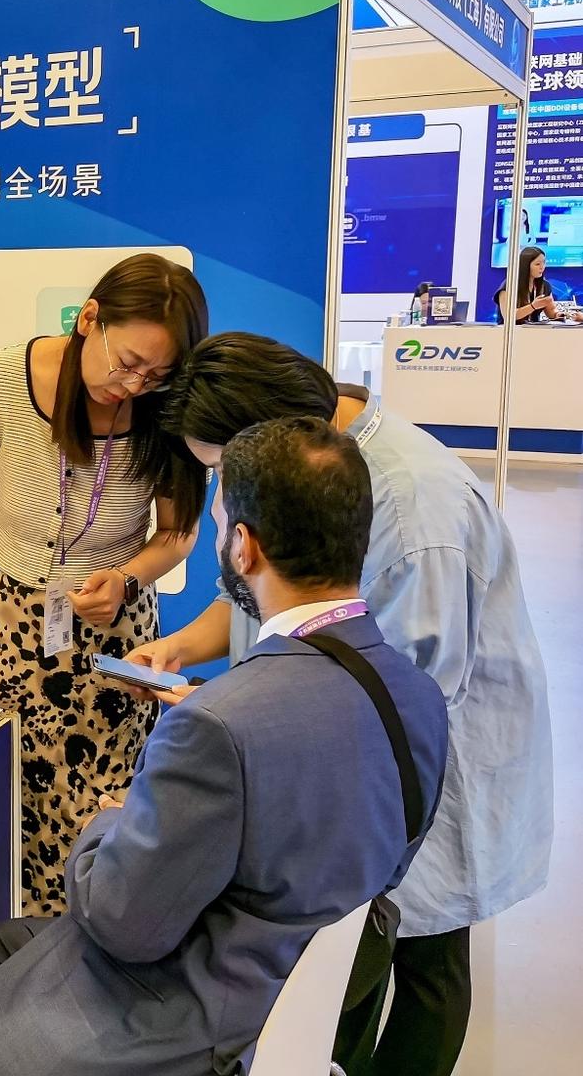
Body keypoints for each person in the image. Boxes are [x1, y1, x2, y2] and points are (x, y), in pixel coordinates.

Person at [0, 417, 448, 1076]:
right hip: (290, 991)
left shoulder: (220, 727)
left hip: (192, 1021)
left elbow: (122, 923)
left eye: (221, 525)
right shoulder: (418, 697)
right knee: (4, 946)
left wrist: (111, 821)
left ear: (244, 548)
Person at [130, 333, 553, 1076]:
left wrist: (250, 726)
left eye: (224, 469)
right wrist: (182, 650)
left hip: (419, 762)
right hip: (345, 753)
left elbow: (406, 694)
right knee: (342, 967)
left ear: (270, 439)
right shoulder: (309, 464)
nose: (223, 495)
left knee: (420, 961)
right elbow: (263, 599)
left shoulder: (414, 512)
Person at [0, 252, 207, 915]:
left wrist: (126, 578)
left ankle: (87, 940)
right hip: (1, 622)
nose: (134, 385)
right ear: (89, 319)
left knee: (98, 802)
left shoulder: (167, 410)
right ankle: (5, 943)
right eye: (127, 362)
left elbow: (178, 533)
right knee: (0, 791)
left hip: (112, 635)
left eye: (155, 375)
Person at [494, 245, 562, 323]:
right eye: (537, 264)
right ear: (526, 266)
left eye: (544, 262)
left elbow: (551, 312)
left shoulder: (545, 286)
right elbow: (508, 316)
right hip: (509, 330)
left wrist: (558, 314)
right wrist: (533, 306)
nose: (542, 267)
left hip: (533, 329)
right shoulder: (509, 286)